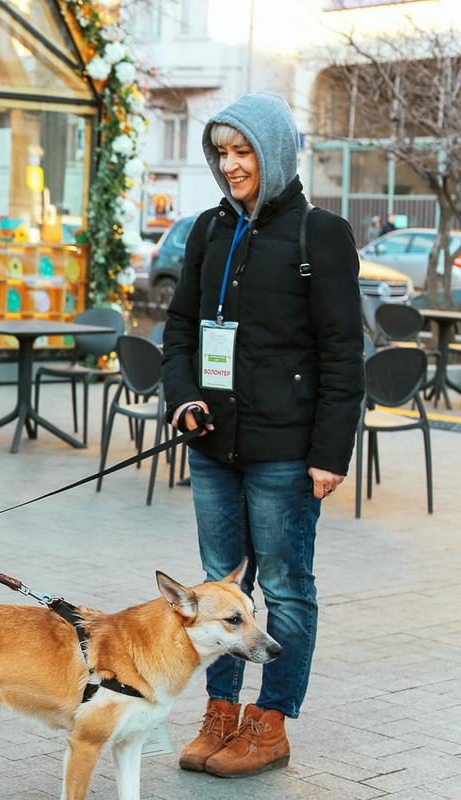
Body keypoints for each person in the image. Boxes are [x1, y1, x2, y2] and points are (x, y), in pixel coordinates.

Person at [161, 93, 363, 779]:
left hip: (286, 451)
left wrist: (331, 453)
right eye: (222, 152)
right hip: (216, 446)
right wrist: (185, 396)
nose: (231, 164)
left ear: (271, 152)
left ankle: (270, 721)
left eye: (242, 151)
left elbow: (342, 352)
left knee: (285, 585)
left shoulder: (319, 235)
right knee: (219, 588)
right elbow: (180, 331)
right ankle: (220, 710)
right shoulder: (207, 231)